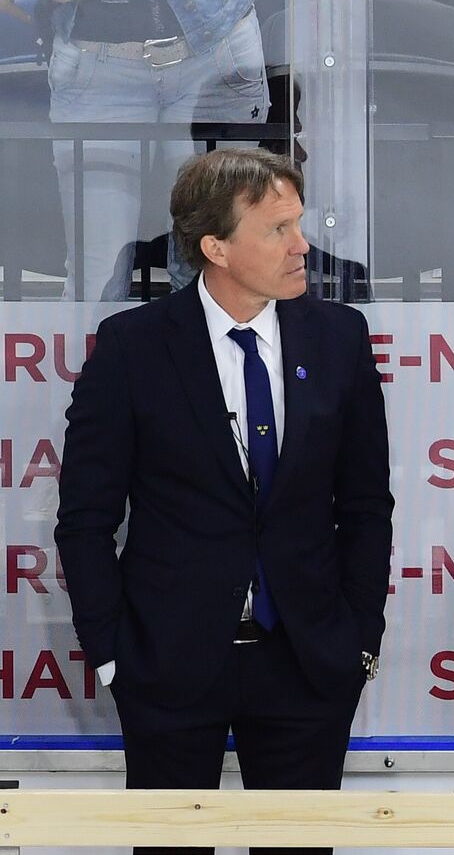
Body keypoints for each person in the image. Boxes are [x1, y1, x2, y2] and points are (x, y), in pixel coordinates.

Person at [55, 149, 393, 855]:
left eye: (299, 224)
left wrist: (358, 639)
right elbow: (86, 518)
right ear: (216, 247)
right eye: (277, 230)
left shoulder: (339, 338)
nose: (303, 245)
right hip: (168, 664)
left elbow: (365, 505)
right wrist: (113, 654)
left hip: (306, 663)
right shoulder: (132, 348)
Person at [25, 0, 269, 301]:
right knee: (98, 277)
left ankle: (200, 362)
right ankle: (104, 360)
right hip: (97, 65)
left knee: (211, 269)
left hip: (213, 53)